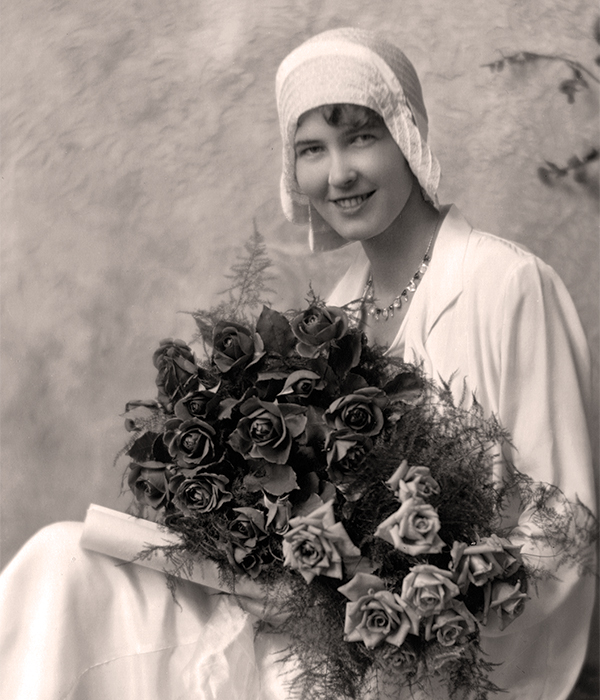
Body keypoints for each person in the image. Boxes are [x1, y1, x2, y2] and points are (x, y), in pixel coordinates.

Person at [0, 27, 595, 700]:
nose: (337, 173)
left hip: (427, 656)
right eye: (312, 149)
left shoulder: (506, 282)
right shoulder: (334, 316)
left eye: (360, 137)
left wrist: (419, 628)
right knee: (60, 563)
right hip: (309, 632)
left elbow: (564, 527)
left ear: (408, 137)